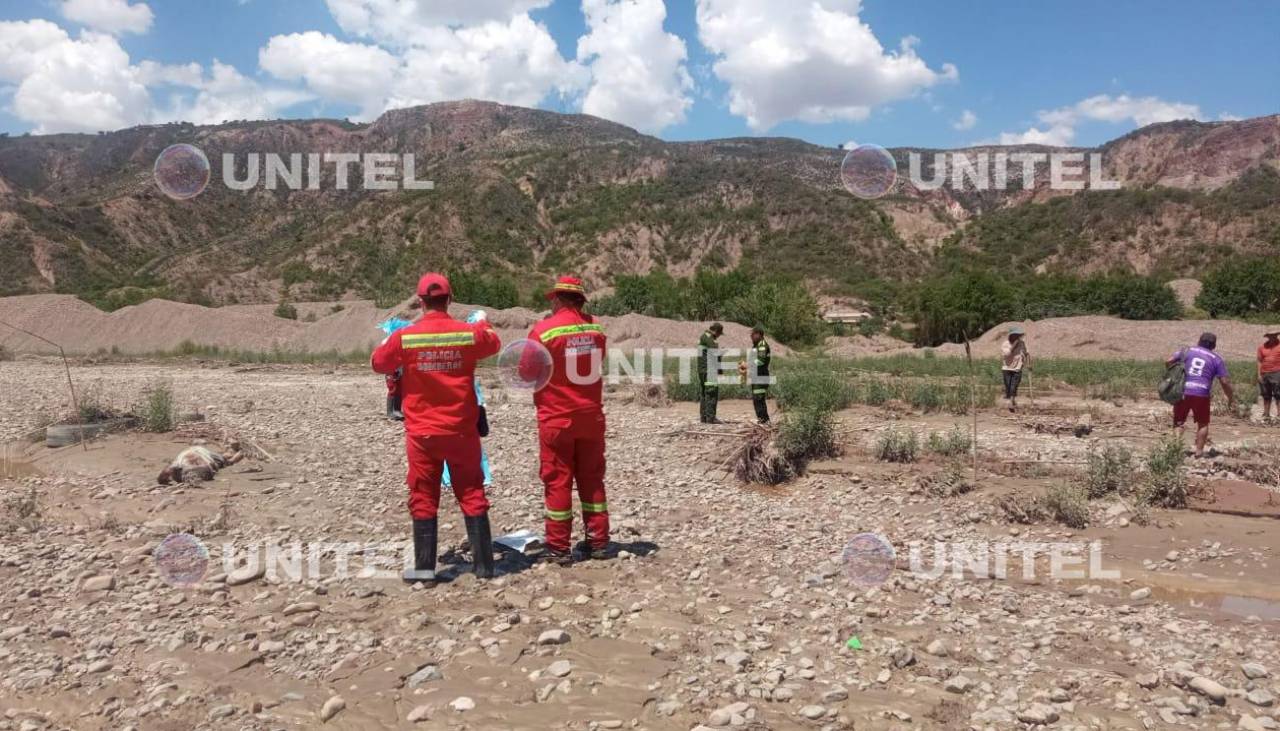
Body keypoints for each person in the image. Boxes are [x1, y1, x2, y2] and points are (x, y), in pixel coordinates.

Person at [371, 273, 502, 582]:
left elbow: (379, 363)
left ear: (420, 301)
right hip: (461, 430)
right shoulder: (468, 334)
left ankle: (424, 569)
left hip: (423, 434)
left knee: (423, 496)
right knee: (471, 492)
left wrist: (389, 342)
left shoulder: (406, 337)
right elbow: (493, 342)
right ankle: (484, 568)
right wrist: (482, 321)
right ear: (450, 299)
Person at [521, 276, 610, 565]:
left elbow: (525, 371)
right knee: (592, 478)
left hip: (557, 417)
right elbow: (599, 360)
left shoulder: (544, 331)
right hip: (591, 416)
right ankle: (598, 542)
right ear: (581, 300)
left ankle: (559, 547)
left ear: (558, 299)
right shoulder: (596, 328)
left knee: (558, 479)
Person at [1168, 332, 1235, 458]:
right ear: (1214, 345)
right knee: (1203, 423)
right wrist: (1230, 397)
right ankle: (1198, 453)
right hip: (1202, 393)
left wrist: (1173, 374)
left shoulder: (1187, 351)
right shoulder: (1217, 359)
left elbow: (1169, 361)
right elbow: (1224, 381)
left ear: (1199, 341)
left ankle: (1175, 449)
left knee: (1178, 421)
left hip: (1184, 391)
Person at [157, 442, 243, 484]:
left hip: (201, 454)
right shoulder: (178, 464)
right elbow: (166, 472)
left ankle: (243, 451)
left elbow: (207, 467)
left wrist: (211, 467)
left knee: (228, 462)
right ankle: (232, 451)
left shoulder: (186, 464)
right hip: (196, 451)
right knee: (222, 458)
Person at [698, 323, 725, 424]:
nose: (718, 336)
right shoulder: (708, 338)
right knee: (711, 393)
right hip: (709, 370)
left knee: (705, 393)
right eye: (719, 334)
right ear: (715, 331)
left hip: (704, 369)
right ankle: (710, 418)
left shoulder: (704, 337)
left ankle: (704, 418)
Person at [1001, 327, 1030, 412]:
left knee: (1014, 386)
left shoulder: (1022, 343)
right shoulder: (1005, 344)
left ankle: (1010, 402)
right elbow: (1007, 354)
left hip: (1017, 368)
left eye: (1018, 336)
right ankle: (1012, 400)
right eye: (1015, 335)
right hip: (1006, 368)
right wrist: (1014, 345)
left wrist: (1029, 364)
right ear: (1011, 336)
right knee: (1008, 386)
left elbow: (1027, 353)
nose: (1017, 337)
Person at [749, 326, 772, 424]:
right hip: (756, 376)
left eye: (753, 334)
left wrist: (748, 364)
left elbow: (761, 361)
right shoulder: (756, 345)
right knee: (757, 399)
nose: (751, 336)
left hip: (761, 376)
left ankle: (764, 420)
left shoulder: (762, 345)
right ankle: (762, 420)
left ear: (758, 334)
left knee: (759, 398)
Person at [1259, 330, 1280, 423]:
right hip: (1264, 373)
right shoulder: (1262, 347)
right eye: (1271, 335)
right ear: (1268, 336)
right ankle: (1266, 414)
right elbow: (1259, 361)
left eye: (1274, 335)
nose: (1273, 337)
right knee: (1266, 395)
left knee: (1278, 394)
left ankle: (1279, 415)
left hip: (1277, 372)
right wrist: (1259, 374)